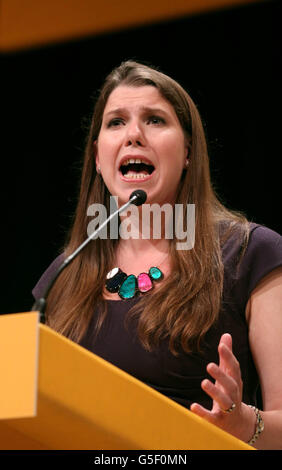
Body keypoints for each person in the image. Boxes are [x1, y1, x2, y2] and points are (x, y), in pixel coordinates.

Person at [32, 60, 282, 449]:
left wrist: (245, 423)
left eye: (154, 120)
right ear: (98, 158)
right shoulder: (63, 277)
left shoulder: (251, 254)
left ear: (187, 153)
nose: (133, 134)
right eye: (116, 122)